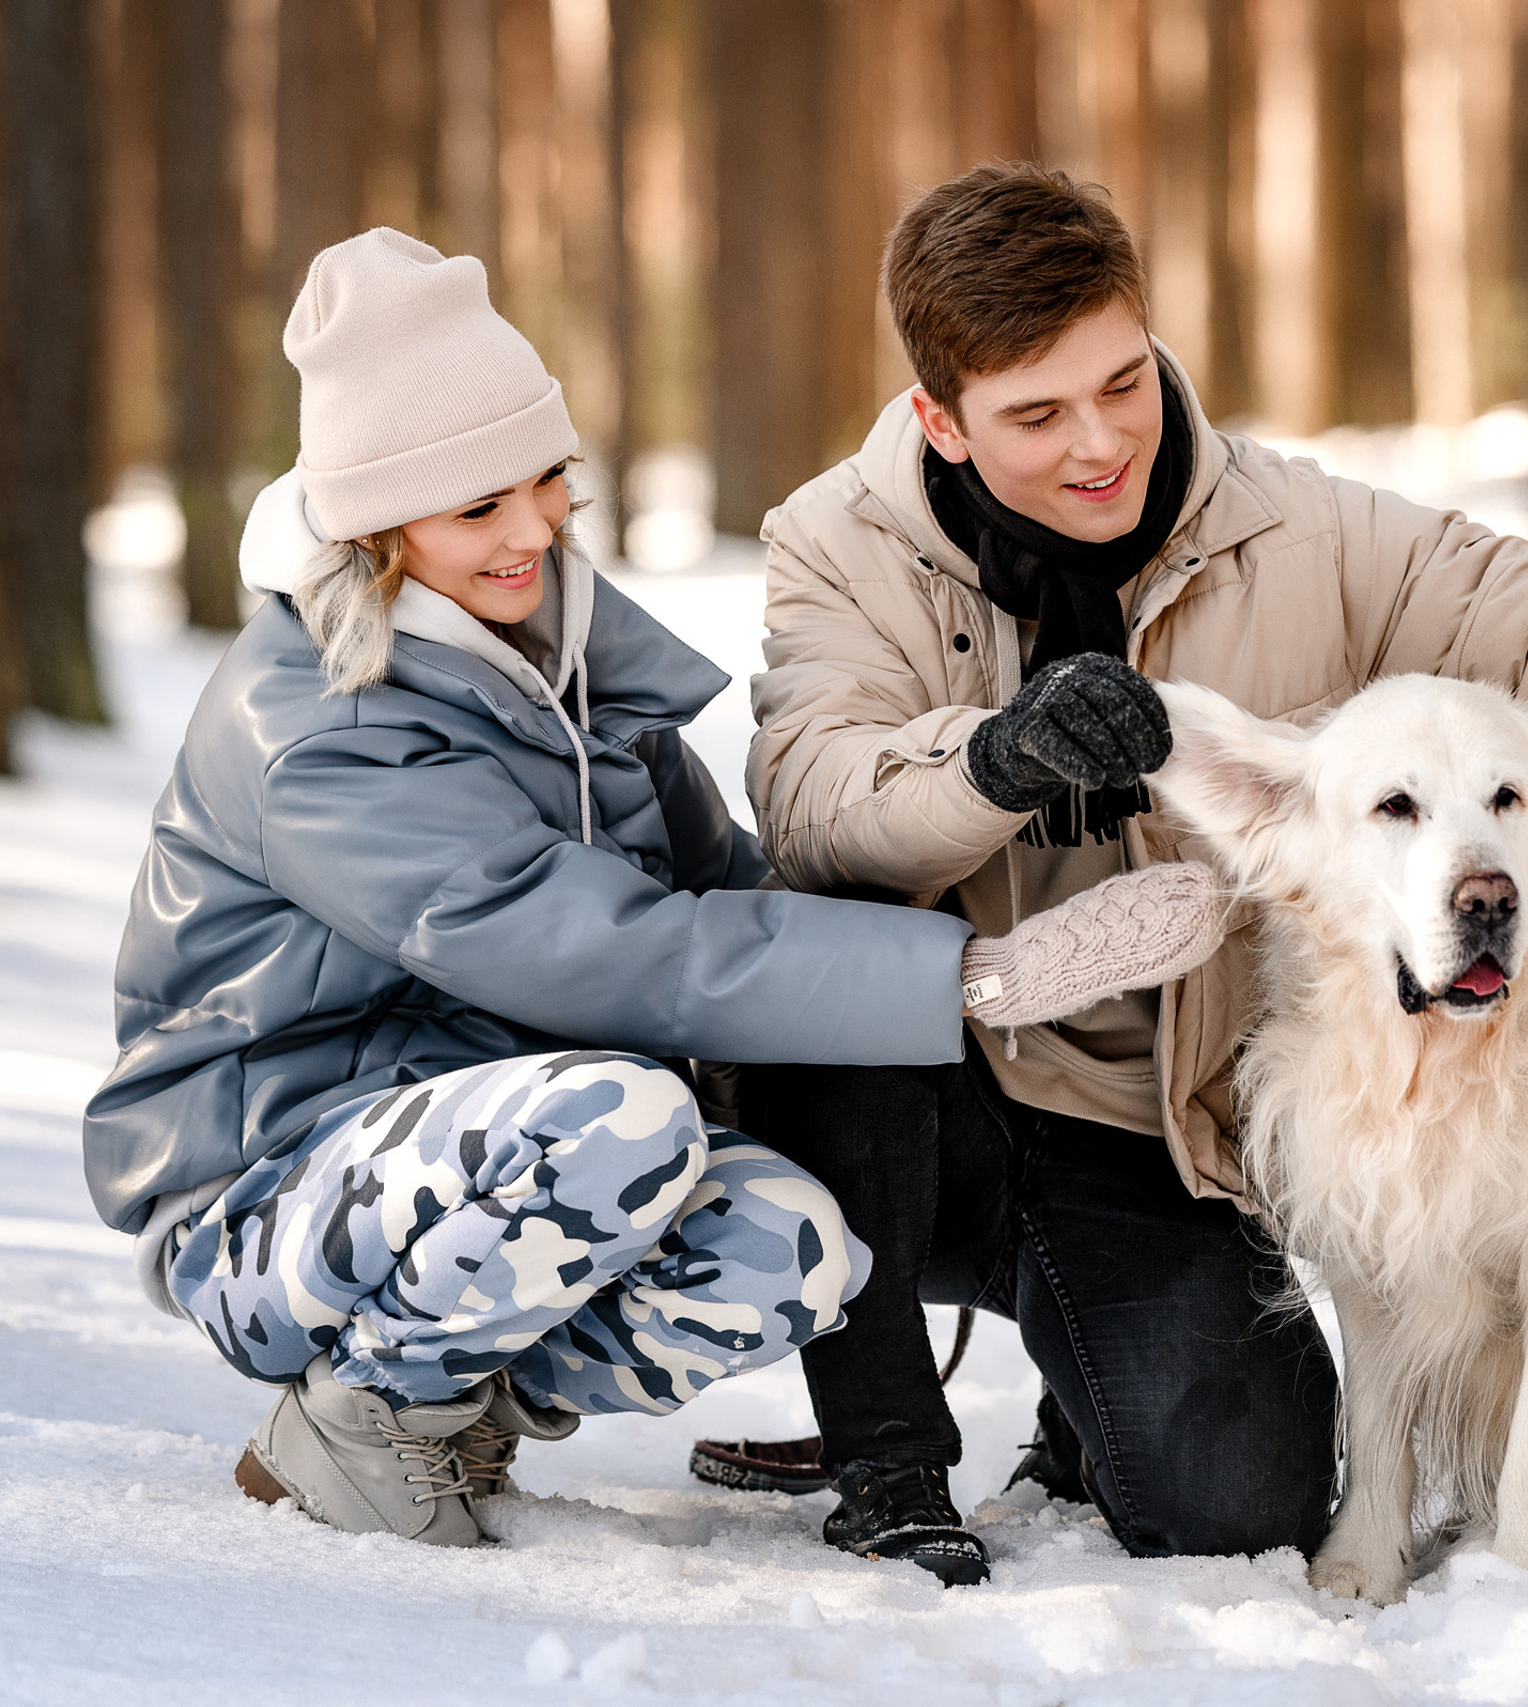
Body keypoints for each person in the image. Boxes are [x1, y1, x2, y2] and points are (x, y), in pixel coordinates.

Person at [82, 227, 1229, 1557]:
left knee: (792, 1245)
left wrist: (938, 969)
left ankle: (469, 1399)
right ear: (375, 526)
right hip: (269, 1193)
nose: (534, 532)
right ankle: (366, 1411)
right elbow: (611, 954)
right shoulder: (319, 732)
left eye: (546, 482)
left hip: (494, 1152)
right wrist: (985, 979)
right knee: (622, 1119)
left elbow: (726, 885)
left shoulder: (553, 658)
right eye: (478, 509)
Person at [740, 164, 1528, 1584]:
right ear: (942, 420)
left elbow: (1525, 606)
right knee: (826, 960)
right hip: (935, 1106)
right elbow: (814, 800)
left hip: (1148, 1125)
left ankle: (1087, 1387)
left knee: (1243, 1500)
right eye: (1037, 417)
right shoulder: (836, 545)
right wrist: (995, 759)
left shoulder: (1300, 529)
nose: (1100, 443)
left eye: (1122, 383)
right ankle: (887, 1463)